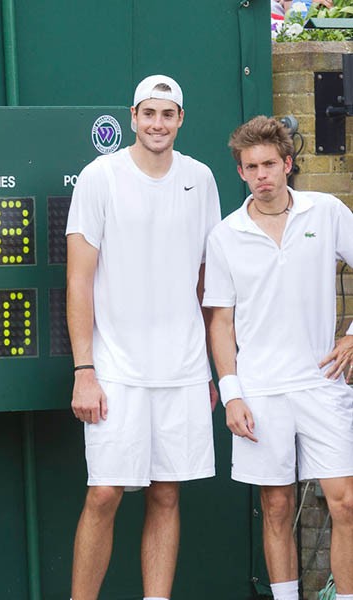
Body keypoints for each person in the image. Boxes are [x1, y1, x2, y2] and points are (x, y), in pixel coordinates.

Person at [65, 74, 220, 600]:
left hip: (183, 369)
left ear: (180, 120)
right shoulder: (99, 176)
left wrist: (212, 371)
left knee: (167, 496)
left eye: (168, 114)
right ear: (132, 117)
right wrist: (84, 370)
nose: (158, 124)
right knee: (105, 493)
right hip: (114, 370)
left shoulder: (200, 179)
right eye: (148, 113)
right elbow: (79, 279)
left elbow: (208, 280)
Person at [203, 115, 353, 600]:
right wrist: (232, 395)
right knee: (275, 506)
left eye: (270, 163)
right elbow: (220, 322)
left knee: (345, 502)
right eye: (252, 166)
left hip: (321, 384)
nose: (262, 174)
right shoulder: (225, 236)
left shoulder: (326, 211)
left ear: (287, 164)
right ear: (241, 173)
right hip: (261, 391)